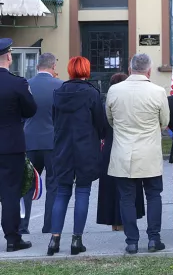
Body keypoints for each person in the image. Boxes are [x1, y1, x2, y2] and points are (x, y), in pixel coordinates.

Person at [105, 53, 169, 254]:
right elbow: (165, 122)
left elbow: (110, 120)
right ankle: (153, 238)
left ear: (130, 69)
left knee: (126, 198)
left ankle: (131, 241)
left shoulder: (114, 90)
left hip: (123, 152)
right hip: (149, 152)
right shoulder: (158, 91)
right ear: (149, 70)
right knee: (153, 196)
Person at [46, 57, 107, 256]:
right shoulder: (91, 93)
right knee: (83, 192)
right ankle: (76, 240)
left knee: (62, 192)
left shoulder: (58, 92)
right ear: (86, 70)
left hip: (63, 147)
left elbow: (55, 121)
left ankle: (54, 240)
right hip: (85, 148)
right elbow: (100, 123)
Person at [0, 38, 37, 252]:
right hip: (10, 145)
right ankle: (13, 238)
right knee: (10, 192)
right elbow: (30, 110)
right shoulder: (17, 83)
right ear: (8, 57)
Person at [96, 73, 146, 232]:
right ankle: (127, 222)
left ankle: (114, 223)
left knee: (111, 187)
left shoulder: (106, 102)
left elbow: (101, 127)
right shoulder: (132, 102)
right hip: (130, 145)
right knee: (129, 186)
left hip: (110, 146)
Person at [21, 52, 60, 235]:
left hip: (30, 141)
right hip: (52, 141)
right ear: (53, 67)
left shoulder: (26, 85)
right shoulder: (59, 86)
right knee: (53, 184)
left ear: (37, 67)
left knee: (27, 184)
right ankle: (49, 226)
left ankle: (23, 225)